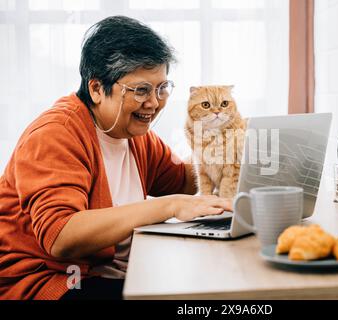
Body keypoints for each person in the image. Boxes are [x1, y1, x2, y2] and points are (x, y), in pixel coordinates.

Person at [0, 15, 232, 300]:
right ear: (97, 88)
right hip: (55, 282)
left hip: (112, 272)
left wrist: (234, 160)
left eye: (162, 88)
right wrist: (170, 206)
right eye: (141, 90)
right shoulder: (55, 134)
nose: (154, 103)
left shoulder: (132, 132)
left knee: (212, 283)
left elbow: (182, 181)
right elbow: (61, 236)